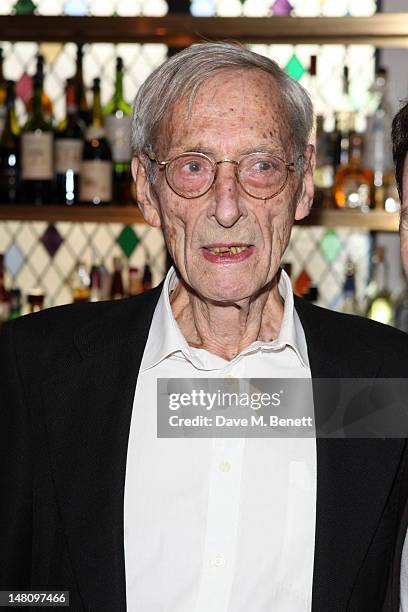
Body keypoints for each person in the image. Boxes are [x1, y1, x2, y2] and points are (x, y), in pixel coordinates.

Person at [2, 42, 408, 612]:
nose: (226, 206)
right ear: (146, 187)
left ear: (303, 185)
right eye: (192, 166)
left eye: (260, 166)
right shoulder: (38, 369)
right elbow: (19, 591)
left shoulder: (386, 381)